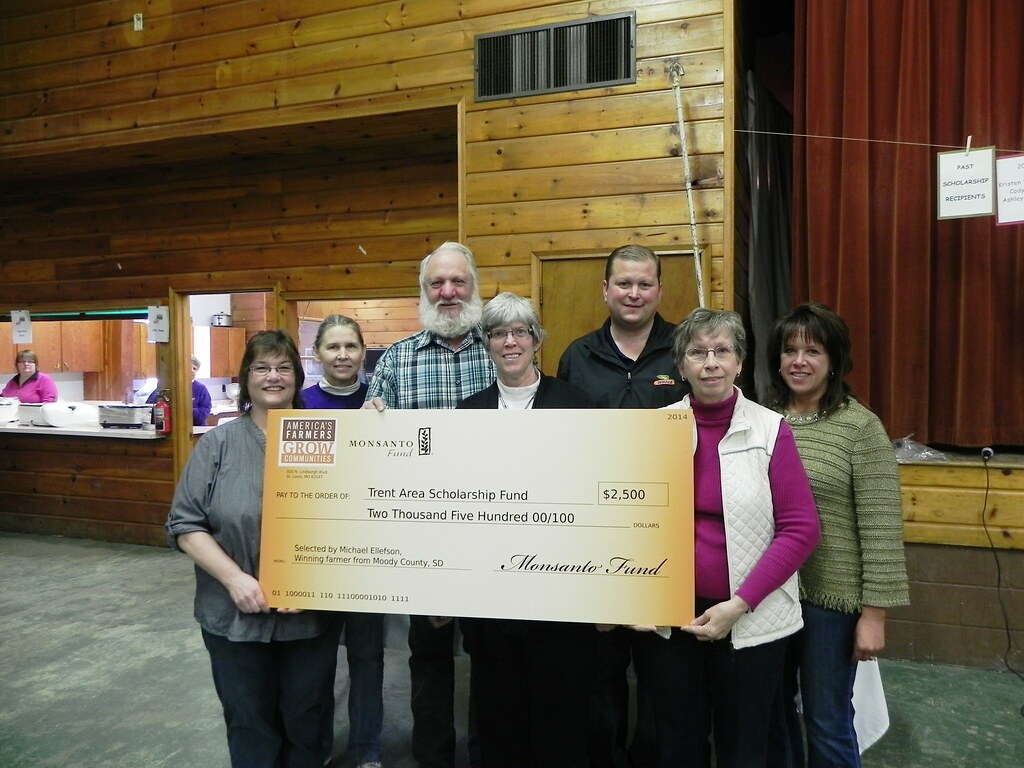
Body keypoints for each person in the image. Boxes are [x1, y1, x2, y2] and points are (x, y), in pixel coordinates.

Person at [631, 307, 820, 767]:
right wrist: (633, 597)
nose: (710, 362)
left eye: (722, 351)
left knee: (744, 747)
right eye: (697, 352)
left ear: (739, 362)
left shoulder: (771, 429)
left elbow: (801, 529)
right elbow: (631, 518)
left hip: (750, 620)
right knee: (677, 744)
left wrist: (740, 603)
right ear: (681, 366)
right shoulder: (656, 430)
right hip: (670, 621)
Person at [166, 330, 339, 768]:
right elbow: (185, 525)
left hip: (308, 619)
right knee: (249, 722)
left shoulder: (331, 439)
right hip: (233, 617)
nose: (273, 377)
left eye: (283, 367)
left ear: (298, 378)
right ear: (246, 378)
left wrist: (314, 580)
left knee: (306, 720)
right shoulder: (218, 445)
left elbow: (350, 521)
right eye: (261, 368)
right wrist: (234, 579)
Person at [555, 244, 687, 767]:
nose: (634, 293)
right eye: (624, 284)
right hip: (597, 539)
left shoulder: (686, 350)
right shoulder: (577, 355)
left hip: (669, 539)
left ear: (659, 289)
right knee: (598, 674)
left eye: (645, 284)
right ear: (605, 290)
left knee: (664, 674)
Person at [365, 241, 493, 768]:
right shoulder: (396, 361)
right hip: (424, 539)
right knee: (430, 660)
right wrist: (371, 425)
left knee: (493, 659)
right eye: (436, 284)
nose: (447, 293)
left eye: (457, 282)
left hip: (495, 535)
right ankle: (433, 759)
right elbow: (374, 457)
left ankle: (491, 756)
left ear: (474, 287)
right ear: (424, 291)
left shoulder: (505, 351)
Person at [765, 303, 909, 768]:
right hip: (770, 592)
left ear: (835, 360)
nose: (799, 361)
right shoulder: (763, 420)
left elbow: (882, 527)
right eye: (790, 350)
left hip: (832, 601)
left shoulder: (860, 428)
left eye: (813, 350)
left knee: (826, 718)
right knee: (774, 710)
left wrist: (875, 616)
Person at [457, 292, 594, 768]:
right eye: (498, 333)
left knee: (561, 721)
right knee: (499, 721)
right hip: (492, 597)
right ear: (487, 344)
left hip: (560, 594)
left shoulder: (578, 406)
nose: (509, 342)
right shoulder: (467, 414)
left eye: (519, 332)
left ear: (537, 340)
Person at [301, 314, 383, 768]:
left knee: (368, 657)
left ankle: (367, 749)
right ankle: (316, 747)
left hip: (369, 552)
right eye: (333, 347)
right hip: (318, 551)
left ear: (362, 350)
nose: (343, 356)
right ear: (318, 353)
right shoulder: (299, 405)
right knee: (316, 659)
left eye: (350, 346)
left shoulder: (383, 404)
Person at [149, 355, 212, 426]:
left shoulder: (201, 388)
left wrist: (188, 410)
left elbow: (205, 411)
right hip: (172, 428)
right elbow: (149, 406)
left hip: (195, 428)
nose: (192, 371)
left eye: (194, 368)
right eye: (189, 367)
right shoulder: (167, 386)